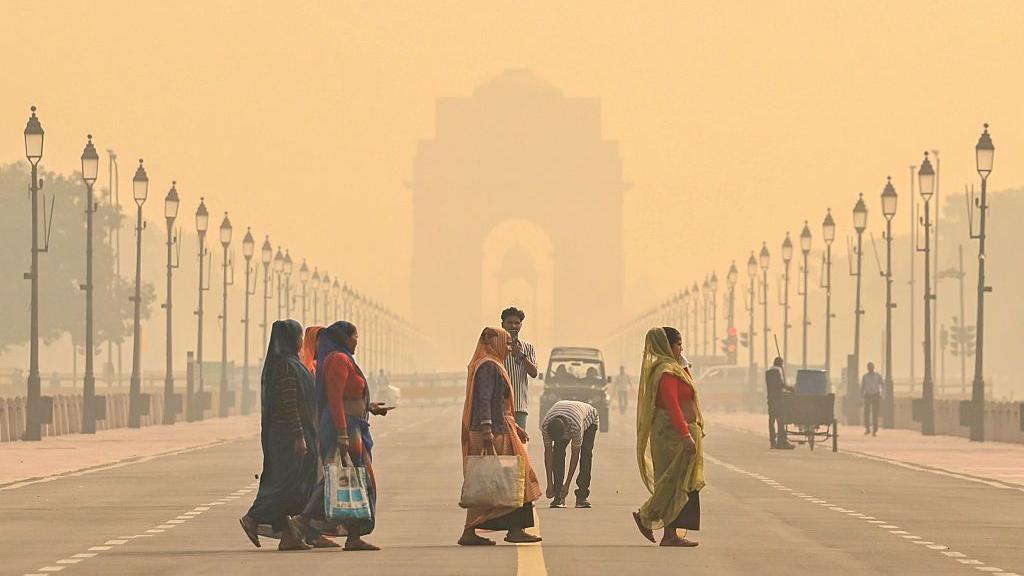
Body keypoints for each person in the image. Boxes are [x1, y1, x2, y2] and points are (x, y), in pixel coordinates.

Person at [293, 321, 394, 551]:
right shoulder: (338, 360)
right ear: (344, 338)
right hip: (345, 429)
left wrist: (369, 408)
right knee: (347, 478)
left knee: (348, 478)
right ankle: (303, 521)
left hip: (351, 426)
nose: (357, 341)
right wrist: (342, 434)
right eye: (354, 337)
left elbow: (349, 396)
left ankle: (351, 535)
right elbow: (335, 399)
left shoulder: (343, 358)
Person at [459, 327, 542, 546]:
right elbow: (484, 400)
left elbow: (498, 403)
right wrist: (487, 428)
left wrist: (514, 426)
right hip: (493, 431)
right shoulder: (488, 366)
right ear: (494, 343)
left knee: (493, 479)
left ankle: (494, 529)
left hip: (501, 427)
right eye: (505, 344)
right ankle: (511, 529)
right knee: (506, 477)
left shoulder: (491, 364)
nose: (508, 349)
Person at [239, 320, 318, 551]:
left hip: (291, 434)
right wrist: (299, 436)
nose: (301, 341)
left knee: (291, 482)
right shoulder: (285, 366)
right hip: (287, 436)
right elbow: (289, 404)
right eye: (299, 336)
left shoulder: (292, 363)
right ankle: (253, 518)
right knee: (287, 484)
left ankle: (289, 537)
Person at [632, 327, 705, 548]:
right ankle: (646, 516)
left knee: (680, 483)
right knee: (671, 481)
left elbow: (689, 391)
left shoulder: (675, 369)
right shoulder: (665, 372)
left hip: (681, 433)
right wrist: (685, 435)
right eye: (678, 344)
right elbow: (673, 405)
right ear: (667, 345)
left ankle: (670, 534)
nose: (681, 347)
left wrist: (684, 364)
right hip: (671, 436)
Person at [542, 400, 599, 509]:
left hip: (589, 419)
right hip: (565, 412)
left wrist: (567, 484)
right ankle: (558, 496)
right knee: (557, 453)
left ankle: (581, 496)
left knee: (586, 455)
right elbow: (548, 454)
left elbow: (574, 456)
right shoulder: (546, 426)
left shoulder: (575, 426)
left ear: (567, 430)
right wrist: (550, 483)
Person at [500, 307, 538, 431]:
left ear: (521, 325)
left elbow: (533, 373)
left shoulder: (528, 348)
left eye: (517, 323)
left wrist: (520, 355)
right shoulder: (496, 347)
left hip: (519, 406)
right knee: (502, 445)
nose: (513, 326)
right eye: (509, 322)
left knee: (519, 446)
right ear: (503, 325)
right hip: (499, 406)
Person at [765, 357, 795, 449]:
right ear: (780, 364)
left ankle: (773, 442)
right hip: (778, 400)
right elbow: (780, 384)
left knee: (771, 421)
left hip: (770, 399)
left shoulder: (768, 372)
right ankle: (782, 441)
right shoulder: (777, 372)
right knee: (780, 420)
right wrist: (790, 388)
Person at [861, 361, 884, 436]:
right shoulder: (865, 377)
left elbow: (882, 385)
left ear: (873, 368)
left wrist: (882, 394)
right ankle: (867, 428)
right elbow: (862, 387)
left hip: (875, 395)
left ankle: (874, 430)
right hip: (867, 395)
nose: (870, 368)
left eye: (871, 367)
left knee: (875, 413)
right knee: (866, 413)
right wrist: (861, 397)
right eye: (869, 367)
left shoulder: (878, 376)